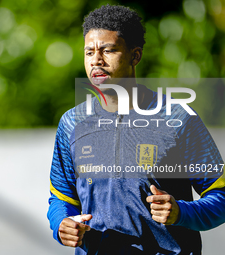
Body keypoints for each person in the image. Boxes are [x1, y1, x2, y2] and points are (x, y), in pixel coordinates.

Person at [47, 4, 225, 255]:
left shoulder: (178, 118)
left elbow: (221, 195)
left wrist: (181, 212)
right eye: (89, 52)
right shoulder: (71, 122)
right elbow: (62, 197)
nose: (97, 60)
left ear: (135, 56)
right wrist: (61, 224)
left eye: (108, 50)